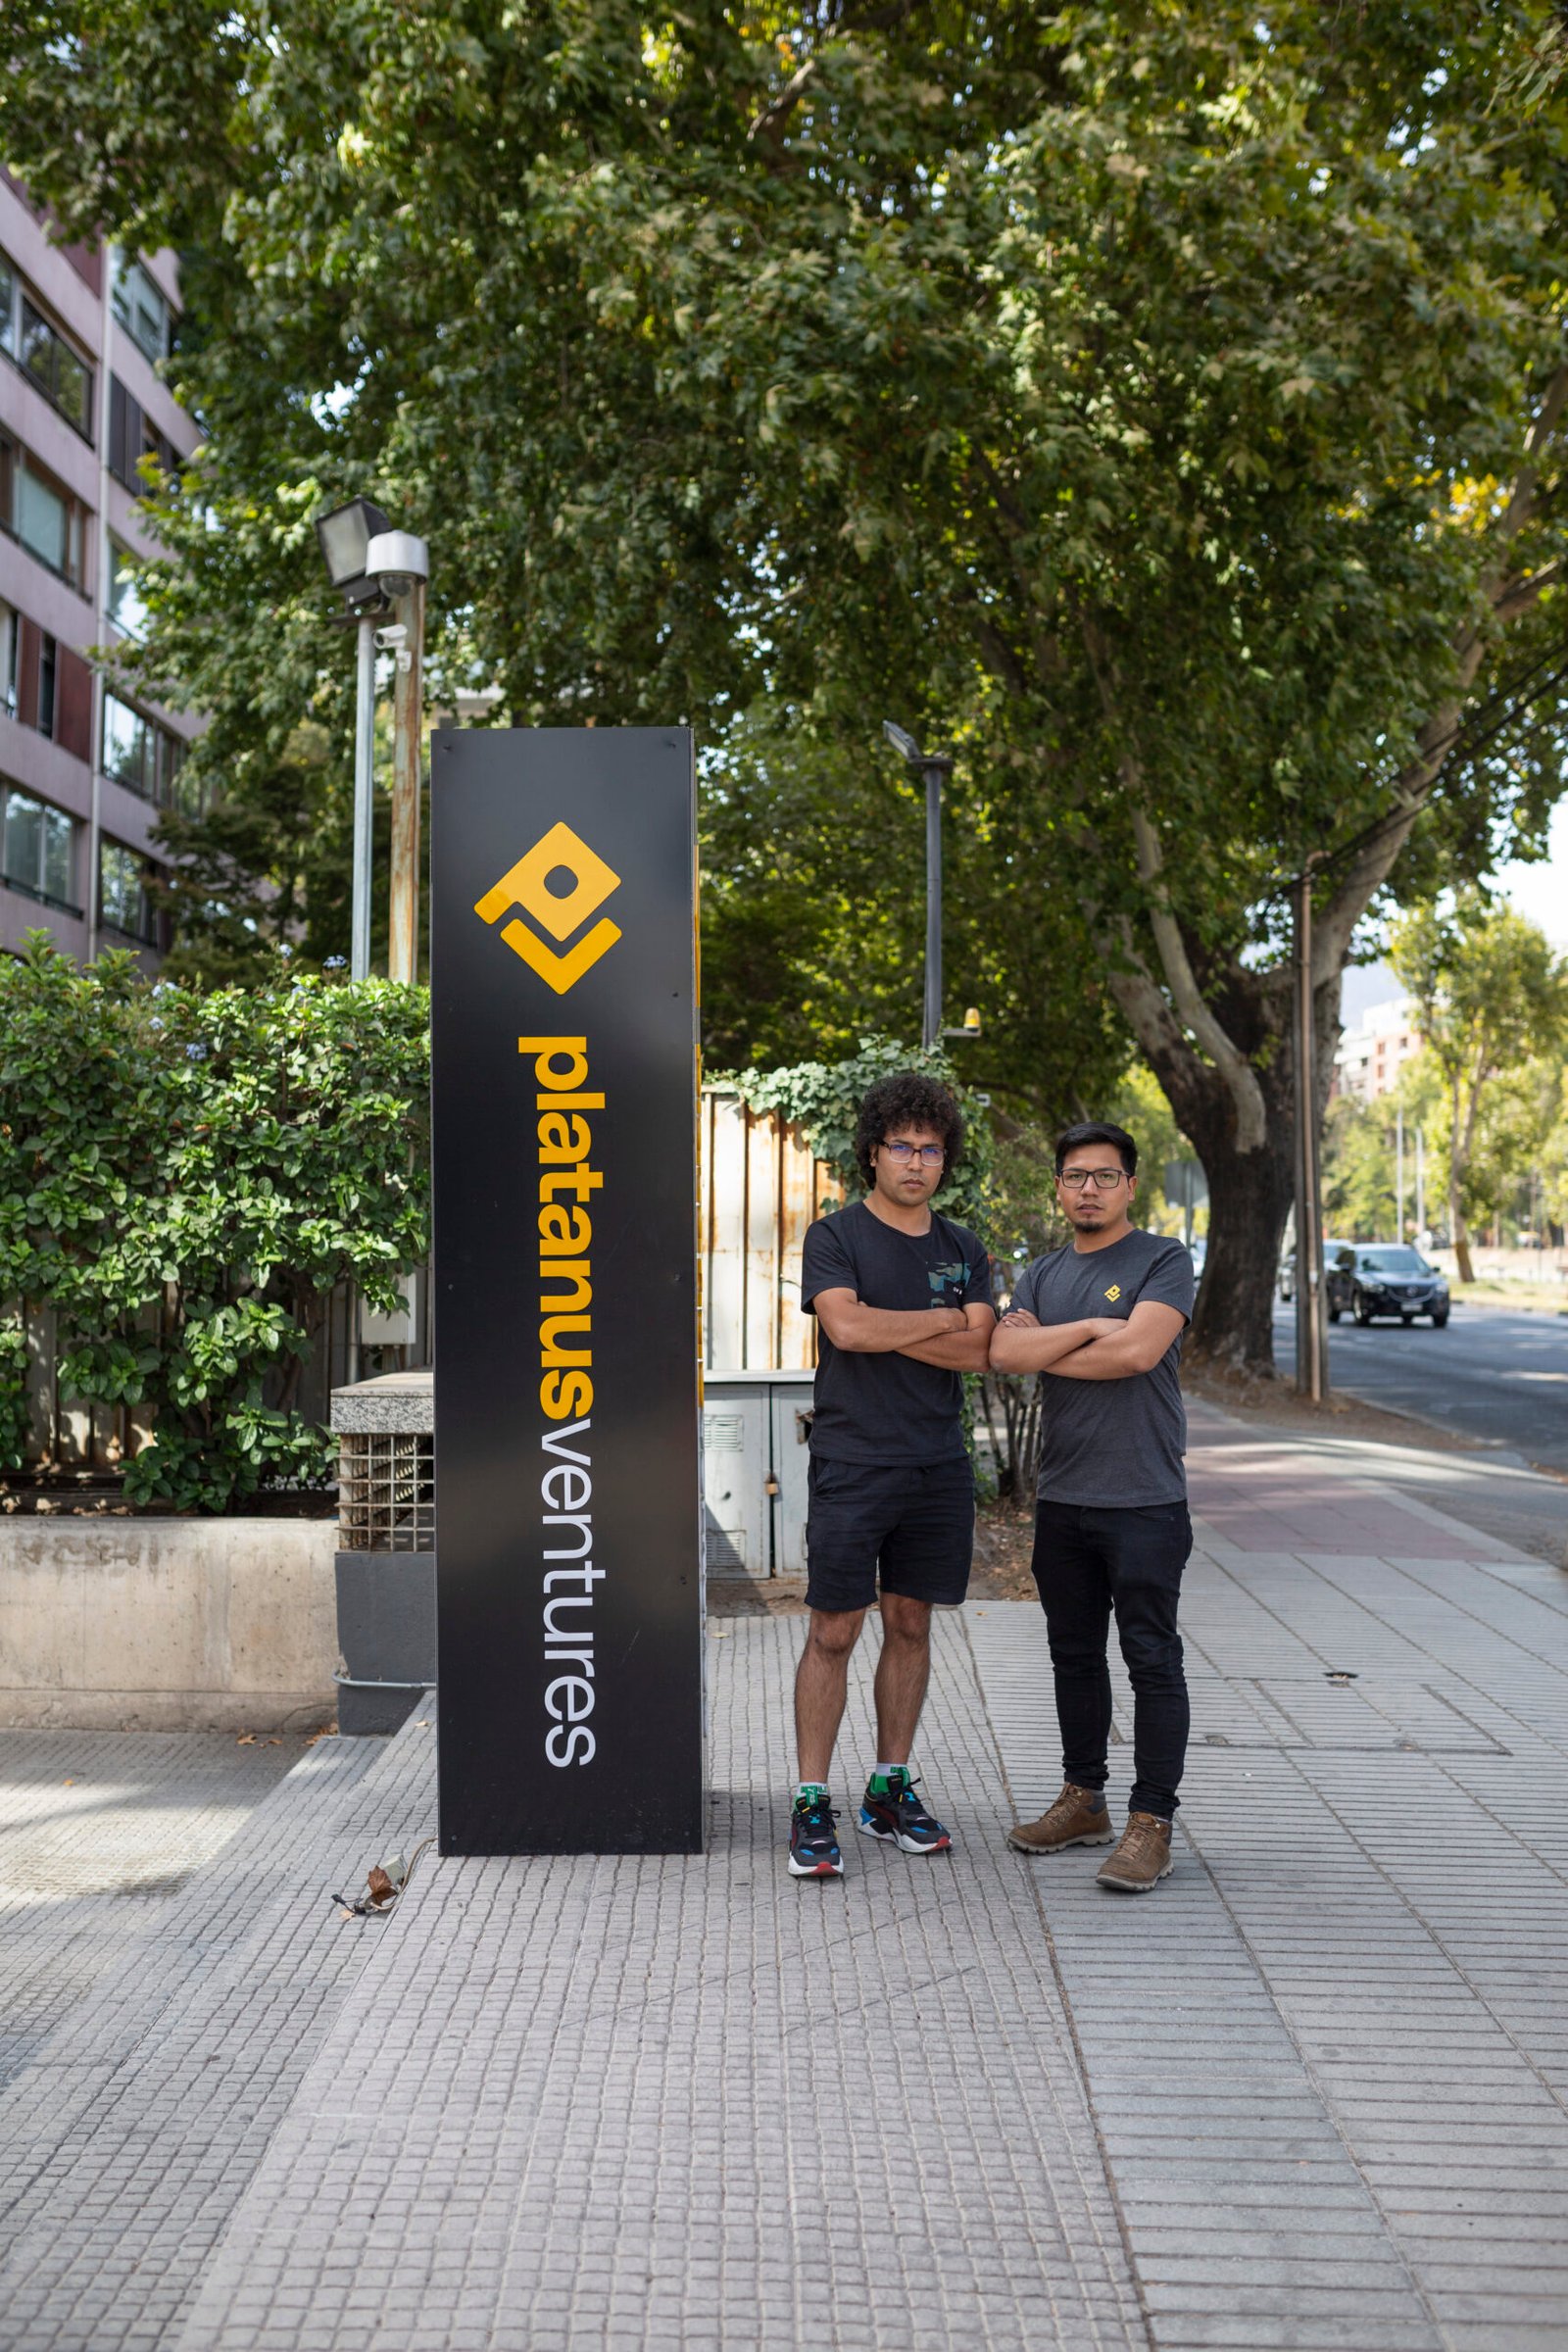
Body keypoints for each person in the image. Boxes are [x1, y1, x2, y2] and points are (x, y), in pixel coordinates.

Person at [788, 1071, 996, 1879]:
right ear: (873, 1153)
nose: (917, 1162)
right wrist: (943, 1319)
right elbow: (844, 1327)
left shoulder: (963, 1248)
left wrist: (890, 1327)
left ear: (945, 1159)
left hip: (936, 1464)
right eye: (902, 1147)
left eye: (931, 1149)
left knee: (911, 1624)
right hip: (853, 1458)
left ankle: (888, 1787)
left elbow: (980, 1350)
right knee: (833, 1631)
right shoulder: (835, 1236)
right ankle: (811, 1799)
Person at [990, 1121, 1195, 1892]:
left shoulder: (1163, 1259)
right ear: (1058, 1187)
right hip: (1063, 1499)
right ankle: (1085, 1801)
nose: (1089, 1189)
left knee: (1151, 1660)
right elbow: (1005, 1354)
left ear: (1130, 1186)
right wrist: (1084, 1330)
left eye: (1105, 1176)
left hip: (1144, 1500)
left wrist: (1050, 1347)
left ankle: (1152, 1823)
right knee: (1073, 1656)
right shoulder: (1042, 1274)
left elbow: (1138, 1352)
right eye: (1075, 1176)